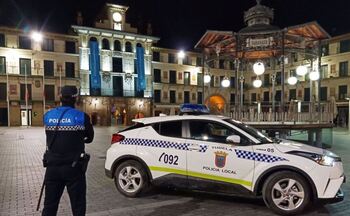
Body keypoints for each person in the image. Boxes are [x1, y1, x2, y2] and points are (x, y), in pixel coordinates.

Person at [42, 86, 94, 216]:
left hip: (52, 166)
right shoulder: (82, 117)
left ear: (60, 98)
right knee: (78, 205)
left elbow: (49, 135)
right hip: (74, 167)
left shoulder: (48, 116)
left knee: (49, 205)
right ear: (75, 98)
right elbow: (90, 138)